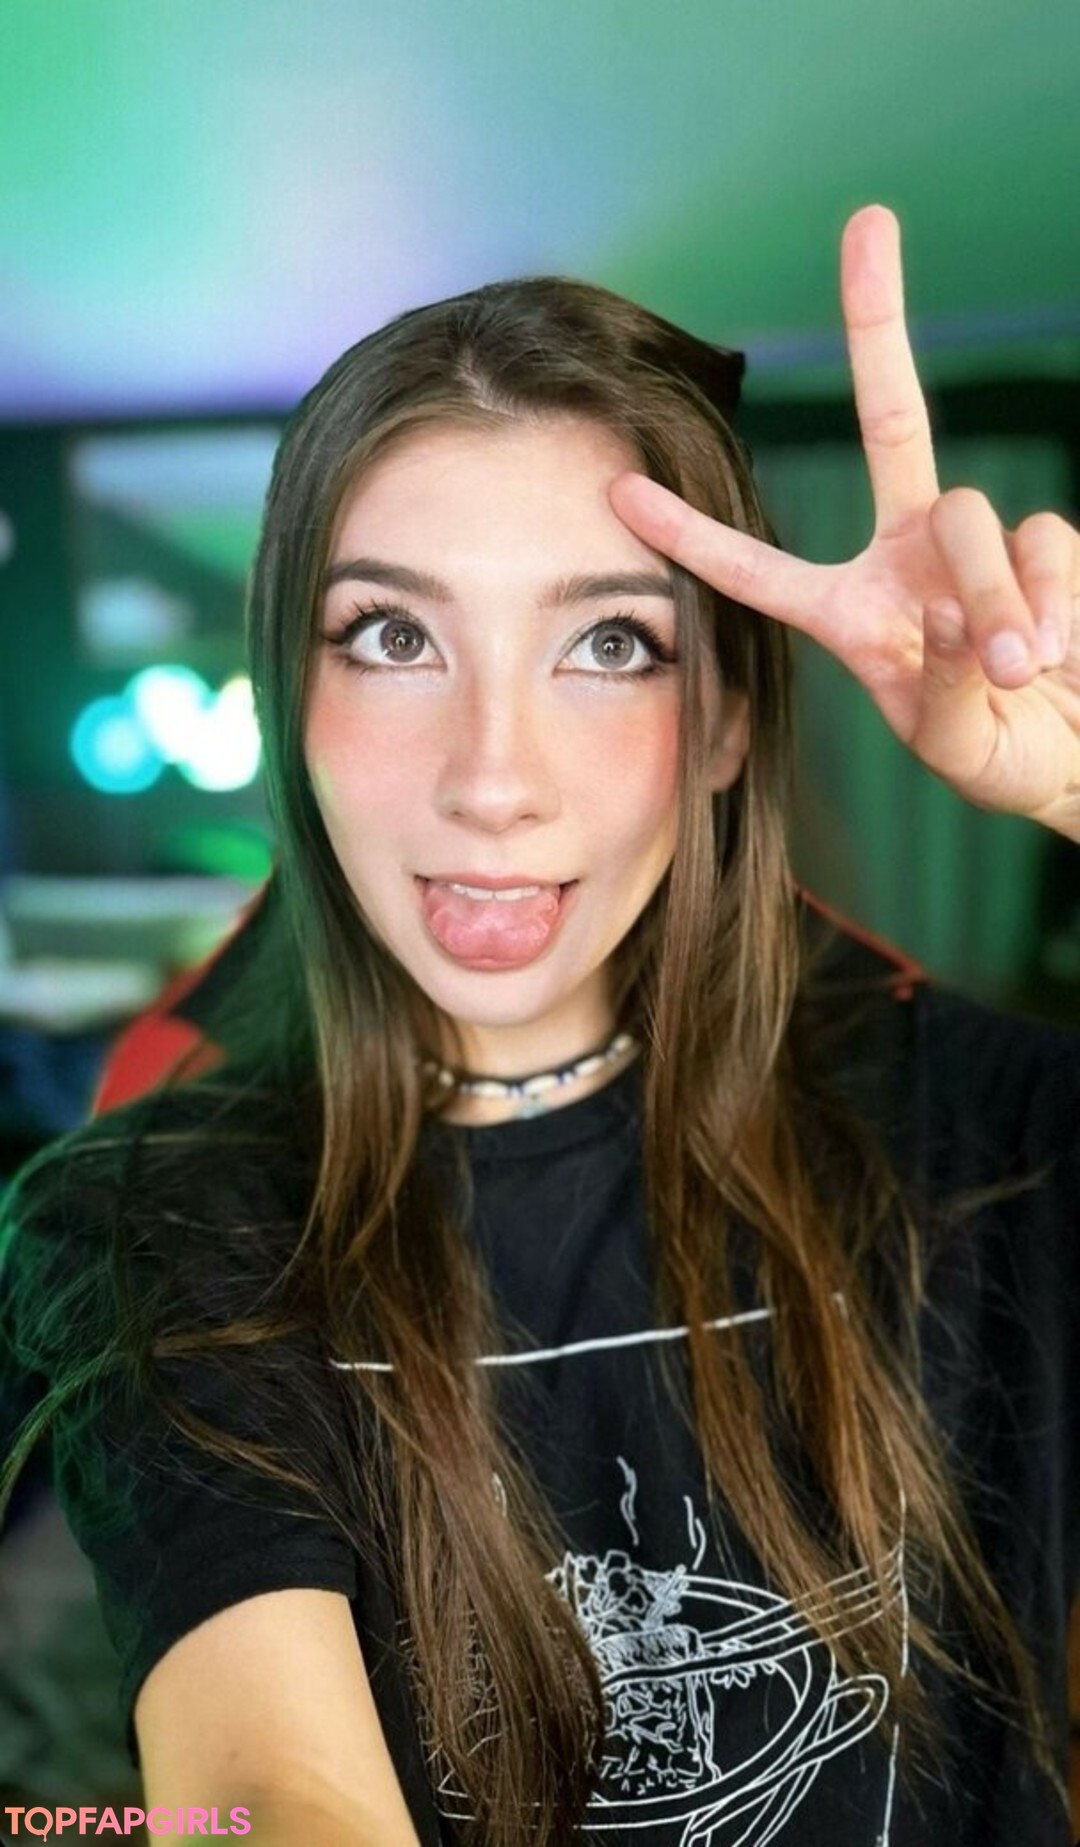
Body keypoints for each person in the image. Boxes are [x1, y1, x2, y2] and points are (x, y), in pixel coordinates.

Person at [0, 205, 1077, 1846]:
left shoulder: (984, 1132)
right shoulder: (156, 1215)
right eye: (392, 637)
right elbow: (269, 1795)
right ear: (292, 700)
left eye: (610, 644)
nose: (493, 780)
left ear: (724, 721)